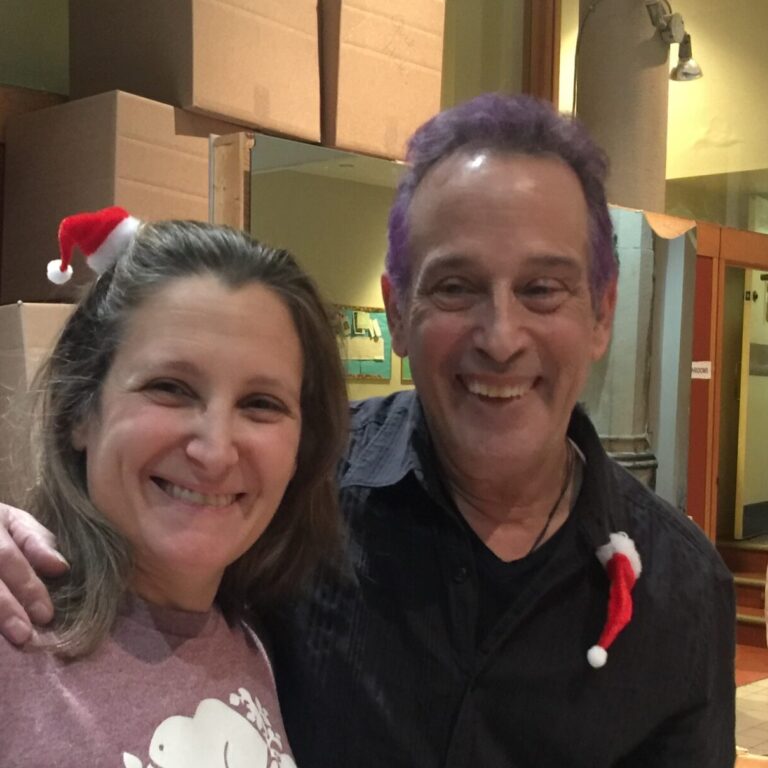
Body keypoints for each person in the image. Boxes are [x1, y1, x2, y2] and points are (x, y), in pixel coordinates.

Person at [0, 94, 735, 767]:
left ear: (601, 312)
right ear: (397, 310)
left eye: (542, 289)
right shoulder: (296, 493)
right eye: (456, 286)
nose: (502, 337)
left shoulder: (683, 589)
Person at [0, 211, 348, 766]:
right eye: (170, 388)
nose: (214, 451)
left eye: (261, 404)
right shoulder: (13, 642)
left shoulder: (254, 644)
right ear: (79, 409)